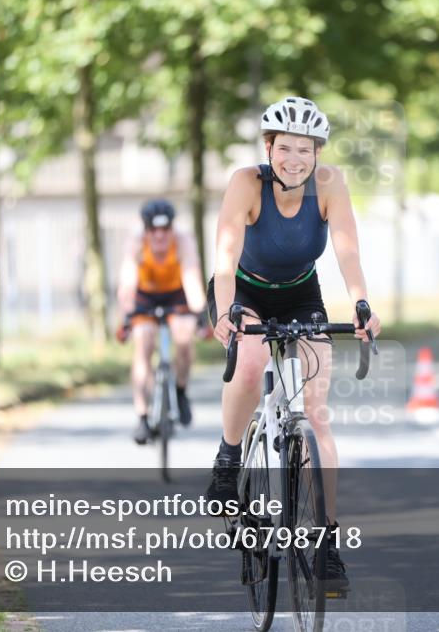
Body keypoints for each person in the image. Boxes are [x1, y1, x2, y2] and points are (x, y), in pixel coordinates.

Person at [205, 96, 382, 590]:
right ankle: (229, 454)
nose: (295, 159)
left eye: (305, 149)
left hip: (301, 292)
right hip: (242, 289)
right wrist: (225, 312)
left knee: (317, 409)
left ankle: (326, 542)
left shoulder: (329, 185)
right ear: (269, 147)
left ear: (317, 152)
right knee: (252, 359)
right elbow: (224, 254)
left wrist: (362, 304)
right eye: (285, 148)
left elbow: (347, 250)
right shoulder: (247, 183)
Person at [116, 199, 206, 444]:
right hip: (145, 296)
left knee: (185, 339)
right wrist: (126, 317)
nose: (159, 236)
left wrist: (201, 316)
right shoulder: (136, 243)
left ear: (172, 228)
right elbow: (127, 282)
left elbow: (191, 278)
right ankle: (143, 416)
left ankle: (180, 390)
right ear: (145, 230)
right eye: (153, 230)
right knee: (143, 344)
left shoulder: (183, 240)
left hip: (176, 294)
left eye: (165, 229)